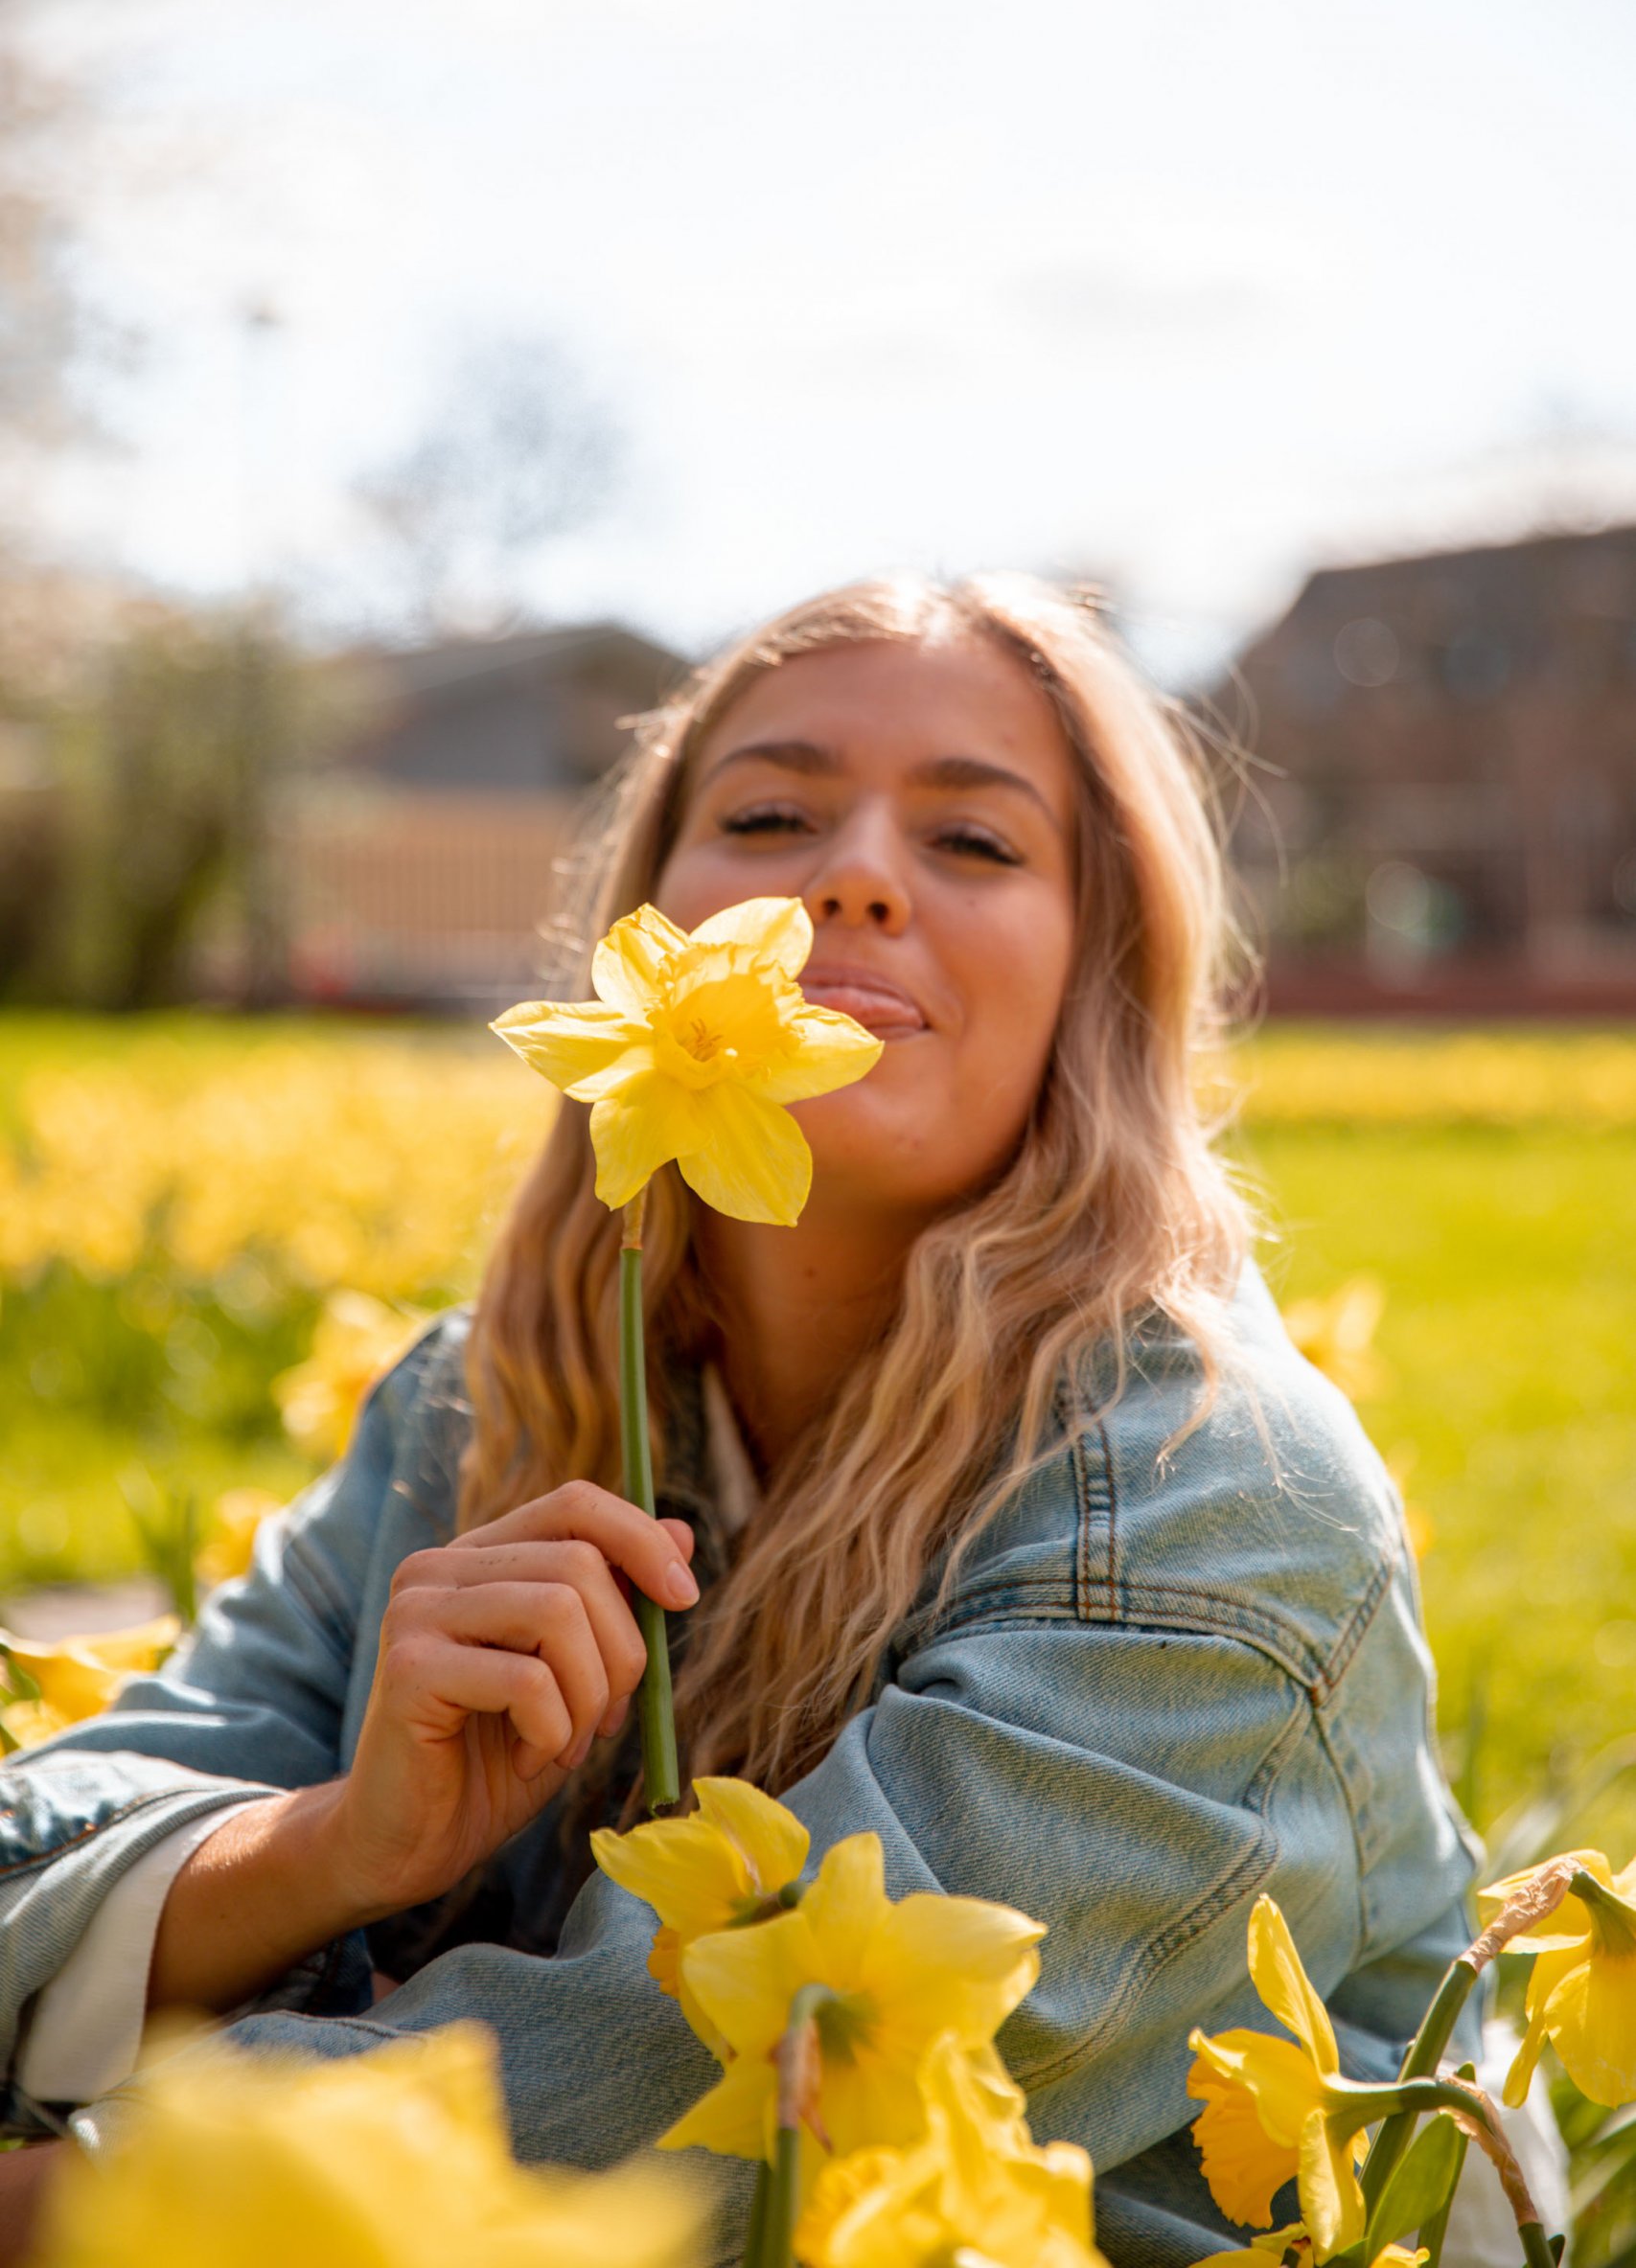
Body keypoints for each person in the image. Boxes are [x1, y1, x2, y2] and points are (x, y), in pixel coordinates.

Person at [0, 577, 1479, 2265]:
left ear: (1097, 979)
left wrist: (70, 2203)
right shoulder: (470, 1408)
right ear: (648, 928)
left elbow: (687, 2119)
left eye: (977, 844)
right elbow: (37, 1861)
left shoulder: (1216, 1492)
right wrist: (333, 1846)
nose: (847, 876)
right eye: (769, 813)